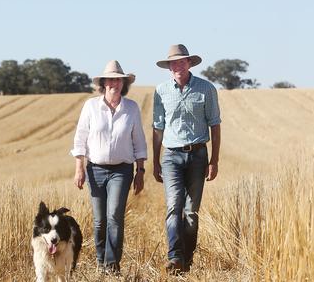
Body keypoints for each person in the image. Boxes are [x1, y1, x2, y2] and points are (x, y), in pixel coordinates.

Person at [71, 60, 147, 274]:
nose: (113, 83)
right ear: (103, 83)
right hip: (95, 170)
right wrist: (80, 168)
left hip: (122, 171)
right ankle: (100, 261)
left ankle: (112, 265)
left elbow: (139, 141)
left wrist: (140, 171)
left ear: (123, 84)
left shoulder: (131, 108)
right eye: (110, 79)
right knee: (99, 221)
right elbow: (81, 138)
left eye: (117, 79)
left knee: (114, 216)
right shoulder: (91, 106)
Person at [152, 44, 221, 274]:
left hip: (198, 155)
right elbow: (158, 128)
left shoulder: (206, 89)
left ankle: (187, 259)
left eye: (182, 61)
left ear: (189, 63)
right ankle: (174, 257)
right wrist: (155, 161)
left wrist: (214, 161)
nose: (178, 66)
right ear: (169, 67)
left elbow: (215, 125)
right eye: (174, 63)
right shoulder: (161, 91)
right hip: (171, 156)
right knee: (174, 207)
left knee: (191, 212)